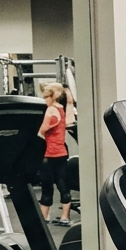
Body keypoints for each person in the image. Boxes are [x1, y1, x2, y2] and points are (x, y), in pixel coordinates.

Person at [37, 81, 72, 226]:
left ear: (52, 97)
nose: (45, 100)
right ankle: (65, 217)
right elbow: (70, 102)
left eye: (46, 97)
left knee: (46, 186)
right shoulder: (62, 109)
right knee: (63, 184)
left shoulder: (50, 111)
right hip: (62, 153)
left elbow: (41, 131)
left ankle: (43, 217)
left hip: (49, 153)